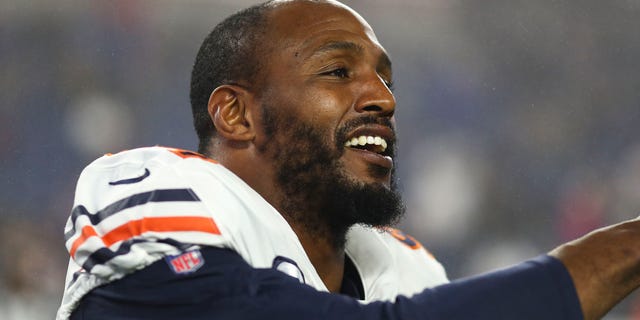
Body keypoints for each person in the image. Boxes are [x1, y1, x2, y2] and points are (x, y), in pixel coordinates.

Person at [57, 1, 640, 319]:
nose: (384, 99)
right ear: (236, 115)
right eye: (338, 72)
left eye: (385, 79)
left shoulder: (406, 269)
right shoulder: (154, 192)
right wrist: (622, 252)